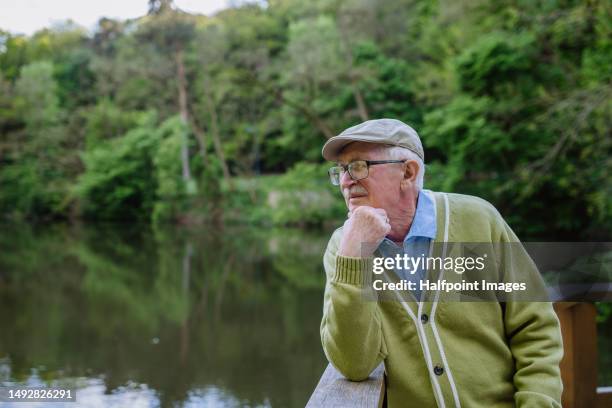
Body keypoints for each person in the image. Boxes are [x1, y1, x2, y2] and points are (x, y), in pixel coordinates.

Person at [319, 119, 563, 407]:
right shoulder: (343, 247)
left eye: (358, 166)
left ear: (408, 172)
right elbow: (354, 364)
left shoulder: (479, 220)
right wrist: (353, 258)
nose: (346, 180)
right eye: (341, 170)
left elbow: (535, 327)